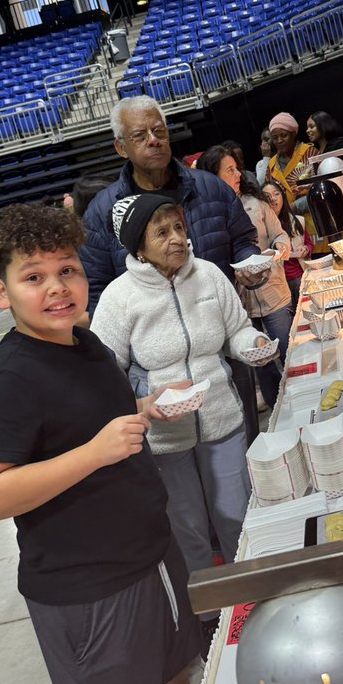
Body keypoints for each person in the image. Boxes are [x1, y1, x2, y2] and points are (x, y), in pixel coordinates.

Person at [0, 204, 202, 684]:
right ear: (0, 291)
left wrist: (144, 409)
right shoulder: (5, 382)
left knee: (174, 679)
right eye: (33, 276)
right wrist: (95, 452)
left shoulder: (83, 343)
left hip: (150, 554)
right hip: (87, 589)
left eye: (66, 270)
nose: (56, 287)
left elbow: (95, 420)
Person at [90, 194, 275, 602]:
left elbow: (237, 331)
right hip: (164, 436)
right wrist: (140, 402)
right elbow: (103, 374)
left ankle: (251, 600)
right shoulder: (119, 299)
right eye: (161, 232)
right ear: (138, 246)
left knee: (236, 516)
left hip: (222, 419)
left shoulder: (208, 275)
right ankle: (209, 613)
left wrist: (254, 344)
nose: (177, 239)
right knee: (187, 529)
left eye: (178, 227)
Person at [80, 95, 261, 444]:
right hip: (157, 375)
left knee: (243, 448)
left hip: (226, 348)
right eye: (140, 135)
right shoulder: (104, 213)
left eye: (159, 130)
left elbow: (243, 237)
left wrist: (249, 263)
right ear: (121, 147)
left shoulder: (209, 187)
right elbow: (96, 288)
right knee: (179, 474)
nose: (153, 139)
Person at [198, 146, 293, 409]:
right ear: (212, 178)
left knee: (289, 352)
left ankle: (302, 402)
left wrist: (277, 253)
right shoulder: (210, 214)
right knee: (260, 361)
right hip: (240, 304)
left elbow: (280, 234)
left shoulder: (257, 203)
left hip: (273, 293)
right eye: (229, 170)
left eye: (237, 167)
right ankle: (278, 412)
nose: (238, 173)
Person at [263, 179, 311, 307]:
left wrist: (305, 249)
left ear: (282, 196)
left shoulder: (297, 221)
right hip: (277, 283)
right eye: (267, 196)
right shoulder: (261, 227)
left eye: (276, 194)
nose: (273, 199)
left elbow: (308, 243)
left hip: (300, 276)